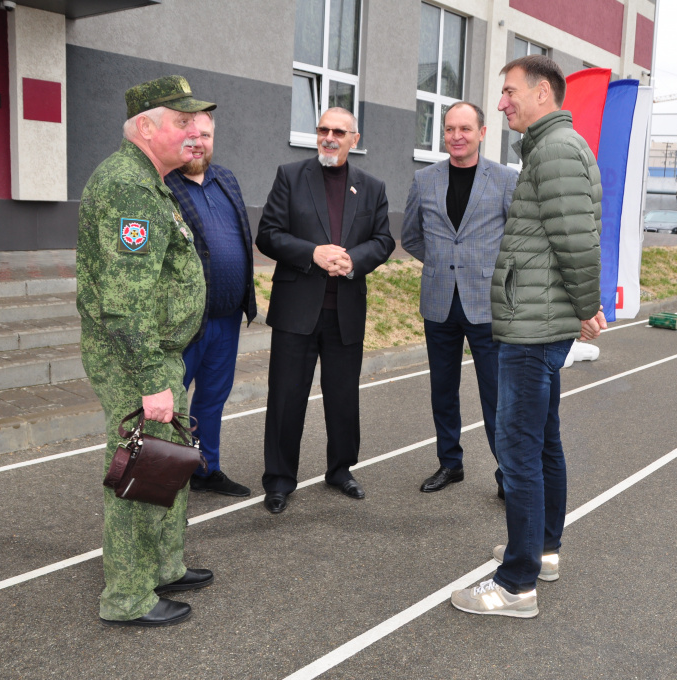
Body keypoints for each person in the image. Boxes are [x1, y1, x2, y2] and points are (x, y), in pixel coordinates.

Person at [451, 55, 607, 618]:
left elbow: (577, 242)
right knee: (541, 442)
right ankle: (541, 550)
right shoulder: (553, 148)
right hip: (539, 320)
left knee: (518, 449)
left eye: (510, 92)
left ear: (543, 93)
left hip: (531, 329)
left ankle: (516, 584)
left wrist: (587, 307)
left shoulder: (557, 151)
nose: (501, 103)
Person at [77, 75, 216, 627]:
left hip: (158, 353)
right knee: (141, 469)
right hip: (137, 357)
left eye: (195, 124)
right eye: (181, 122)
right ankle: (128, 597)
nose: (193, 134)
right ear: (145, 127)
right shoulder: (128, 186)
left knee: (168, 460)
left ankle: (163, 564)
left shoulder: (152, 182)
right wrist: (151, 378)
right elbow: (122, 301)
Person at [255, 107, 395, 515]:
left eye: (338, 131)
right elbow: (268, 235)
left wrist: (354, 259)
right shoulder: (290, 176)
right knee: (285, 398)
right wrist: (312, 253)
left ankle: (340, 469)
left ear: (354, 138)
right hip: (296, 310)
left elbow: (383, 241)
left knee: (342, 398)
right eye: (322, 130)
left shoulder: (372, 187)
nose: (329, 137)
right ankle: (279, 480)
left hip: (344, 311)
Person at [401, 102, 517, 495]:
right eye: (450, 129)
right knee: (443, 390)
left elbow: (516, 240)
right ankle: (450, 464)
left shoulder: (504, 180)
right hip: (438, 302)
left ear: (482, 133)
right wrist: (442, 264)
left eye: (465, 129)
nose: (456, 136)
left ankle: (507, 475)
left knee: (495, 395)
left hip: (486, 304)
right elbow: (412, 236)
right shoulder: (424, 179)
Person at [165, 111, 257, 497]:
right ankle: (163, 473)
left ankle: (205, 468)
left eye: (205, 134)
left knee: (212, 398)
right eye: (189, 134)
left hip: (227, 316)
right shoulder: (162, 185)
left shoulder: (227, 179)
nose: (197, 141)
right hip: (186, 320)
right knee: (169, 399)